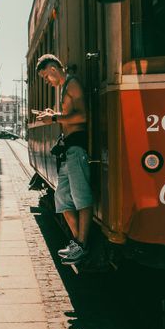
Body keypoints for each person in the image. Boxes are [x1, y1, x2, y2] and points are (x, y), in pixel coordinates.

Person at [35, 54, 93, 265]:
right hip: (69, 150)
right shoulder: (66, 86)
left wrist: (54, 118)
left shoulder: (72, 84)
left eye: (45, 77)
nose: (47, 82)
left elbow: (83, 117)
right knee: (62, 199)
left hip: (77, 148)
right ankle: (79, 243)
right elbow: (71, 114)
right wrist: (55, 114)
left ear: (52, 69)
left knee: (82, 198)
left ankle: (82, 245)